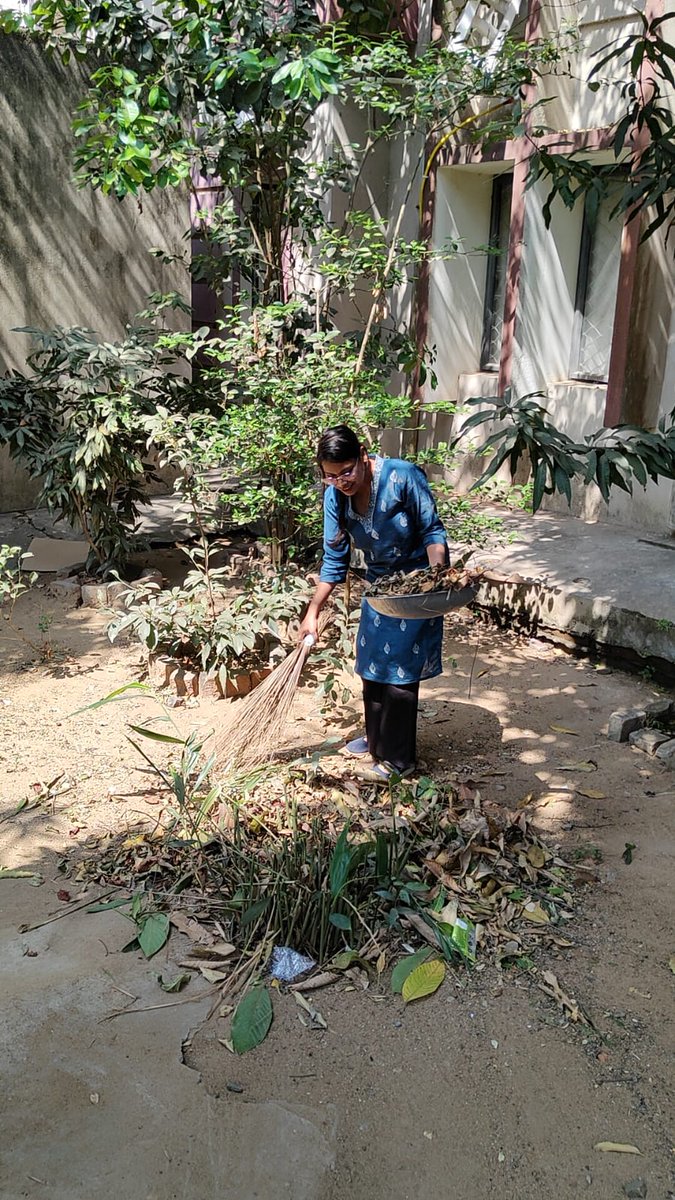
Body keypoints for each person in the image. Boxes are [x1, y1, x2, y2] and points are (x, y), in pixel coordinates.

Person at [298, 424, 448, 781]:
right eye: (330, 476)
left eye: (347, 471)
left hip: (415, 586)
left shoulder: (402, 476)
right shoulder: (335, 496)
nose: (341, 481)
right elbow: (334, 560)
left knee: (401, 669)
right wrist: (312, 610)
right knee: (372, 663)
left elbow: (432, 530)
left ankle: (398, 761)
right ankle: (377, 739)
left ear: (364, 456)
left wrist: (435, 579)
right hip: (379, 586)